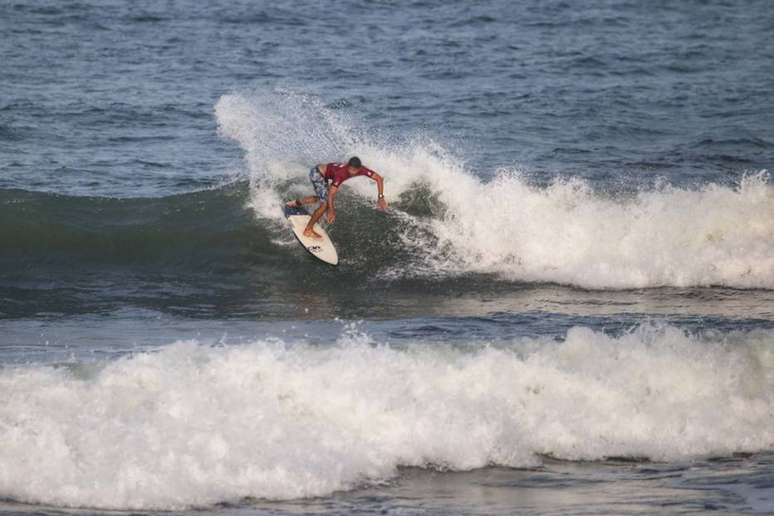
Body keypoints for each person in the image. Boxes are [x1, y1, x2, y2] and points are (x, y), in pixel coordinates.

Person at [286, 157, 387, 239]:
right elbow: (331, 194)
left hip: (323, 173)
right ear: (348, 166)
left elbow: (379, 178)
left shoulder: (363, 169)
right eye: (350, 169)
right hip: (317, 174)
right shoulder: (341, 174)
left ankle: (295, 203)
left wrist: (381, 197)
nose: (351, 172)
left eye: (354, 170)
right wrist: (331, 210)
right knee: (325, 203)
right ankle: (308, 230)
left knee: (320, 198)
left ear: (359, 168)